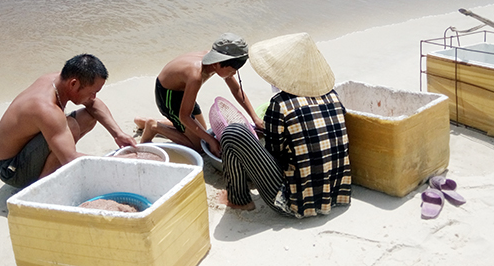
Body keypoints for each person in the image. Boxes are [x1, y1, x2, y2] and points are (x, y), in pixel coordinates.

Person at [217, 33, 352, 218]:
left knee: (233, 132)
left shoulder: (280, 105)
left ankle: (238, 199)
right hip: (336, 193)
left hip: (297, 203)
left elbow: (276, 155)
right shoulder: (333, 96)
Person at [0, 54, 136, 189]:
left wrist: (118, 134)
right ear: (73, 84)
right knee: (70, 126)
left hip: (24, 152)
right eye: (92, 92)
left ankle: (50, 171)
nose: (94, 97)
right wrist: (118, 161)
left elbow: (94, 105)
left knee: (88, 116)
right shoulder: (46, 108)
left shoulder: (59, 79)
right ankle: (42, 187)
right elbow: (70, 159)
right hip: (12, 170)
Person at [134, 33, 264, 157]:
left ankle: (142, 122)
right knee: (199, 146)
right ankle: (153, 126)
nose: (234, 74)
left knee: (202, 130)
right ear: (217, 63)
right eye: (232, 71)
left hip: (184, 91)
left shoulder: (217, 61)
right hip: (169, 95)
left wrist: (255, 118)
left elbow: (236, 90)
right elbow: (184, 116)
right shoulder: (196, 75)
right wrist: (212, 141)